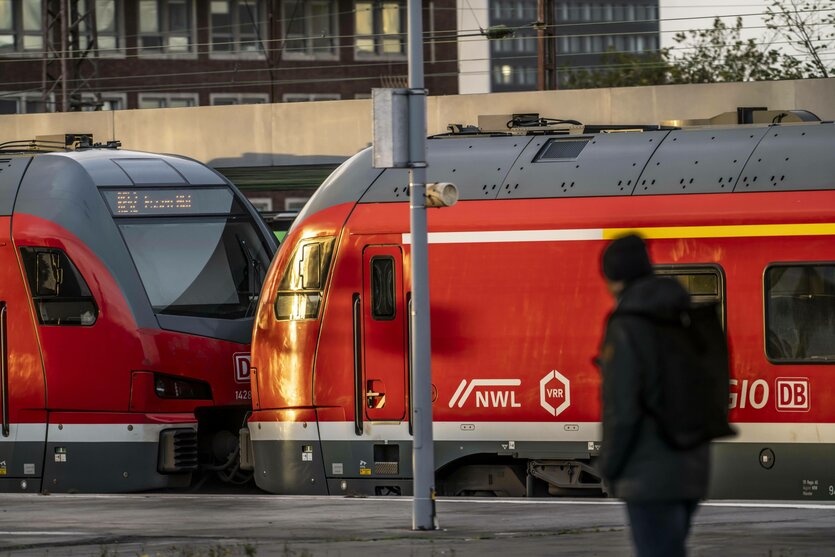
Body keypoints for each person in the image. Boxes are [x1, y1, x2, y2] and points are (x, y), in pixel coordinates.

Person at [597, 233, 710, 557]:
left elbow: (623, 410)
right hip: (691, 465)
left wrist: (609, 465)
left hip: (648, 473)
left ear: (616, 279)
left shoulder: (627, 326)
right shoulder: (683, 314)